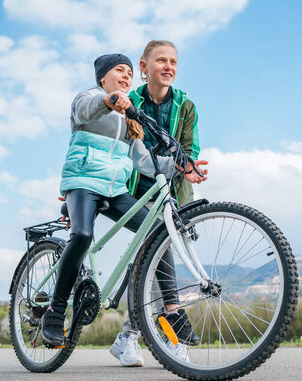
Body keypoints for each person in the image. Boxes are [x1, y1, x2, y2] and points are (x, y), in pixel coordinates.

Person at [41, 54, 207, 367]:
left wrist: (181, 167)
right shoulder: (89, 99)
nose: (127, 76)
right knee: (82, 234)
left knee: (159, 231)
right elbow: (86, 109)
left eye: (130, 73)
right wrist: (108, 100)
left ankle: (171, 310)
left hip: (116, 190)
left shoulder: (130, 118)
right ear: (103, 77)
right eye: (120, 70)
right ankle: (56, 309)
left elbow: (144, 162)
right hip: (83, 182)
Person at [109, 41, 206, 365]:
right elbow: (115, 145)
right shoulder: (129, 101)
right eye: (161, 60)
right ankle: (170, 329)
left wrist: (188, 165)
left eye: (173, 61)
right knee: (155, 250)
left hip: (173, 189)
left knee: (151, 258)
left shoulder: (186, 105)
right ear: (144, 66)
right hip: (136, 188)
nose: (168, 66)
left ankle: (130, 336)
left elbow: (189, 147)